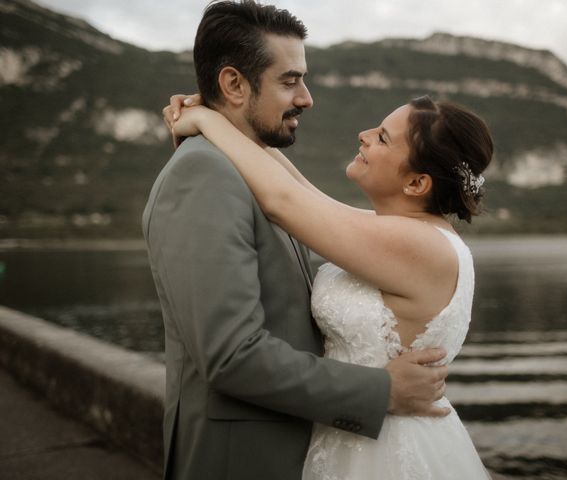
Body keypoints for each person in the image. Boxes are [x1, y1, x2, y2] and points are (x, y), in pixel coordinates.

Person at [143, 2, 450, 480]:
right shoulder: (204, 173)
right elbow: (231, 354)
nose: (306, 98)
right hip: (239, 460)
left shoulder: (248, 171)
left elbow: (297, 197)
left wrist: (210, 121)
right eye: (290, 81)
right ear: (234, 84)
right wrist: (380, 391)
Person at [164, 91, 493, 478]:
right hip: (353, 428)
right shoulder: (404, 232)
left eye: (383, 137)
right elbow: (302, 191)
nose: (363, 134)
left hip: (385, 449)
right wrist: (218, 116)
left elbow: (282, 200)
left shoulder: (418, 246)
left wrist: (206, 123)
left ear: (417, 182)